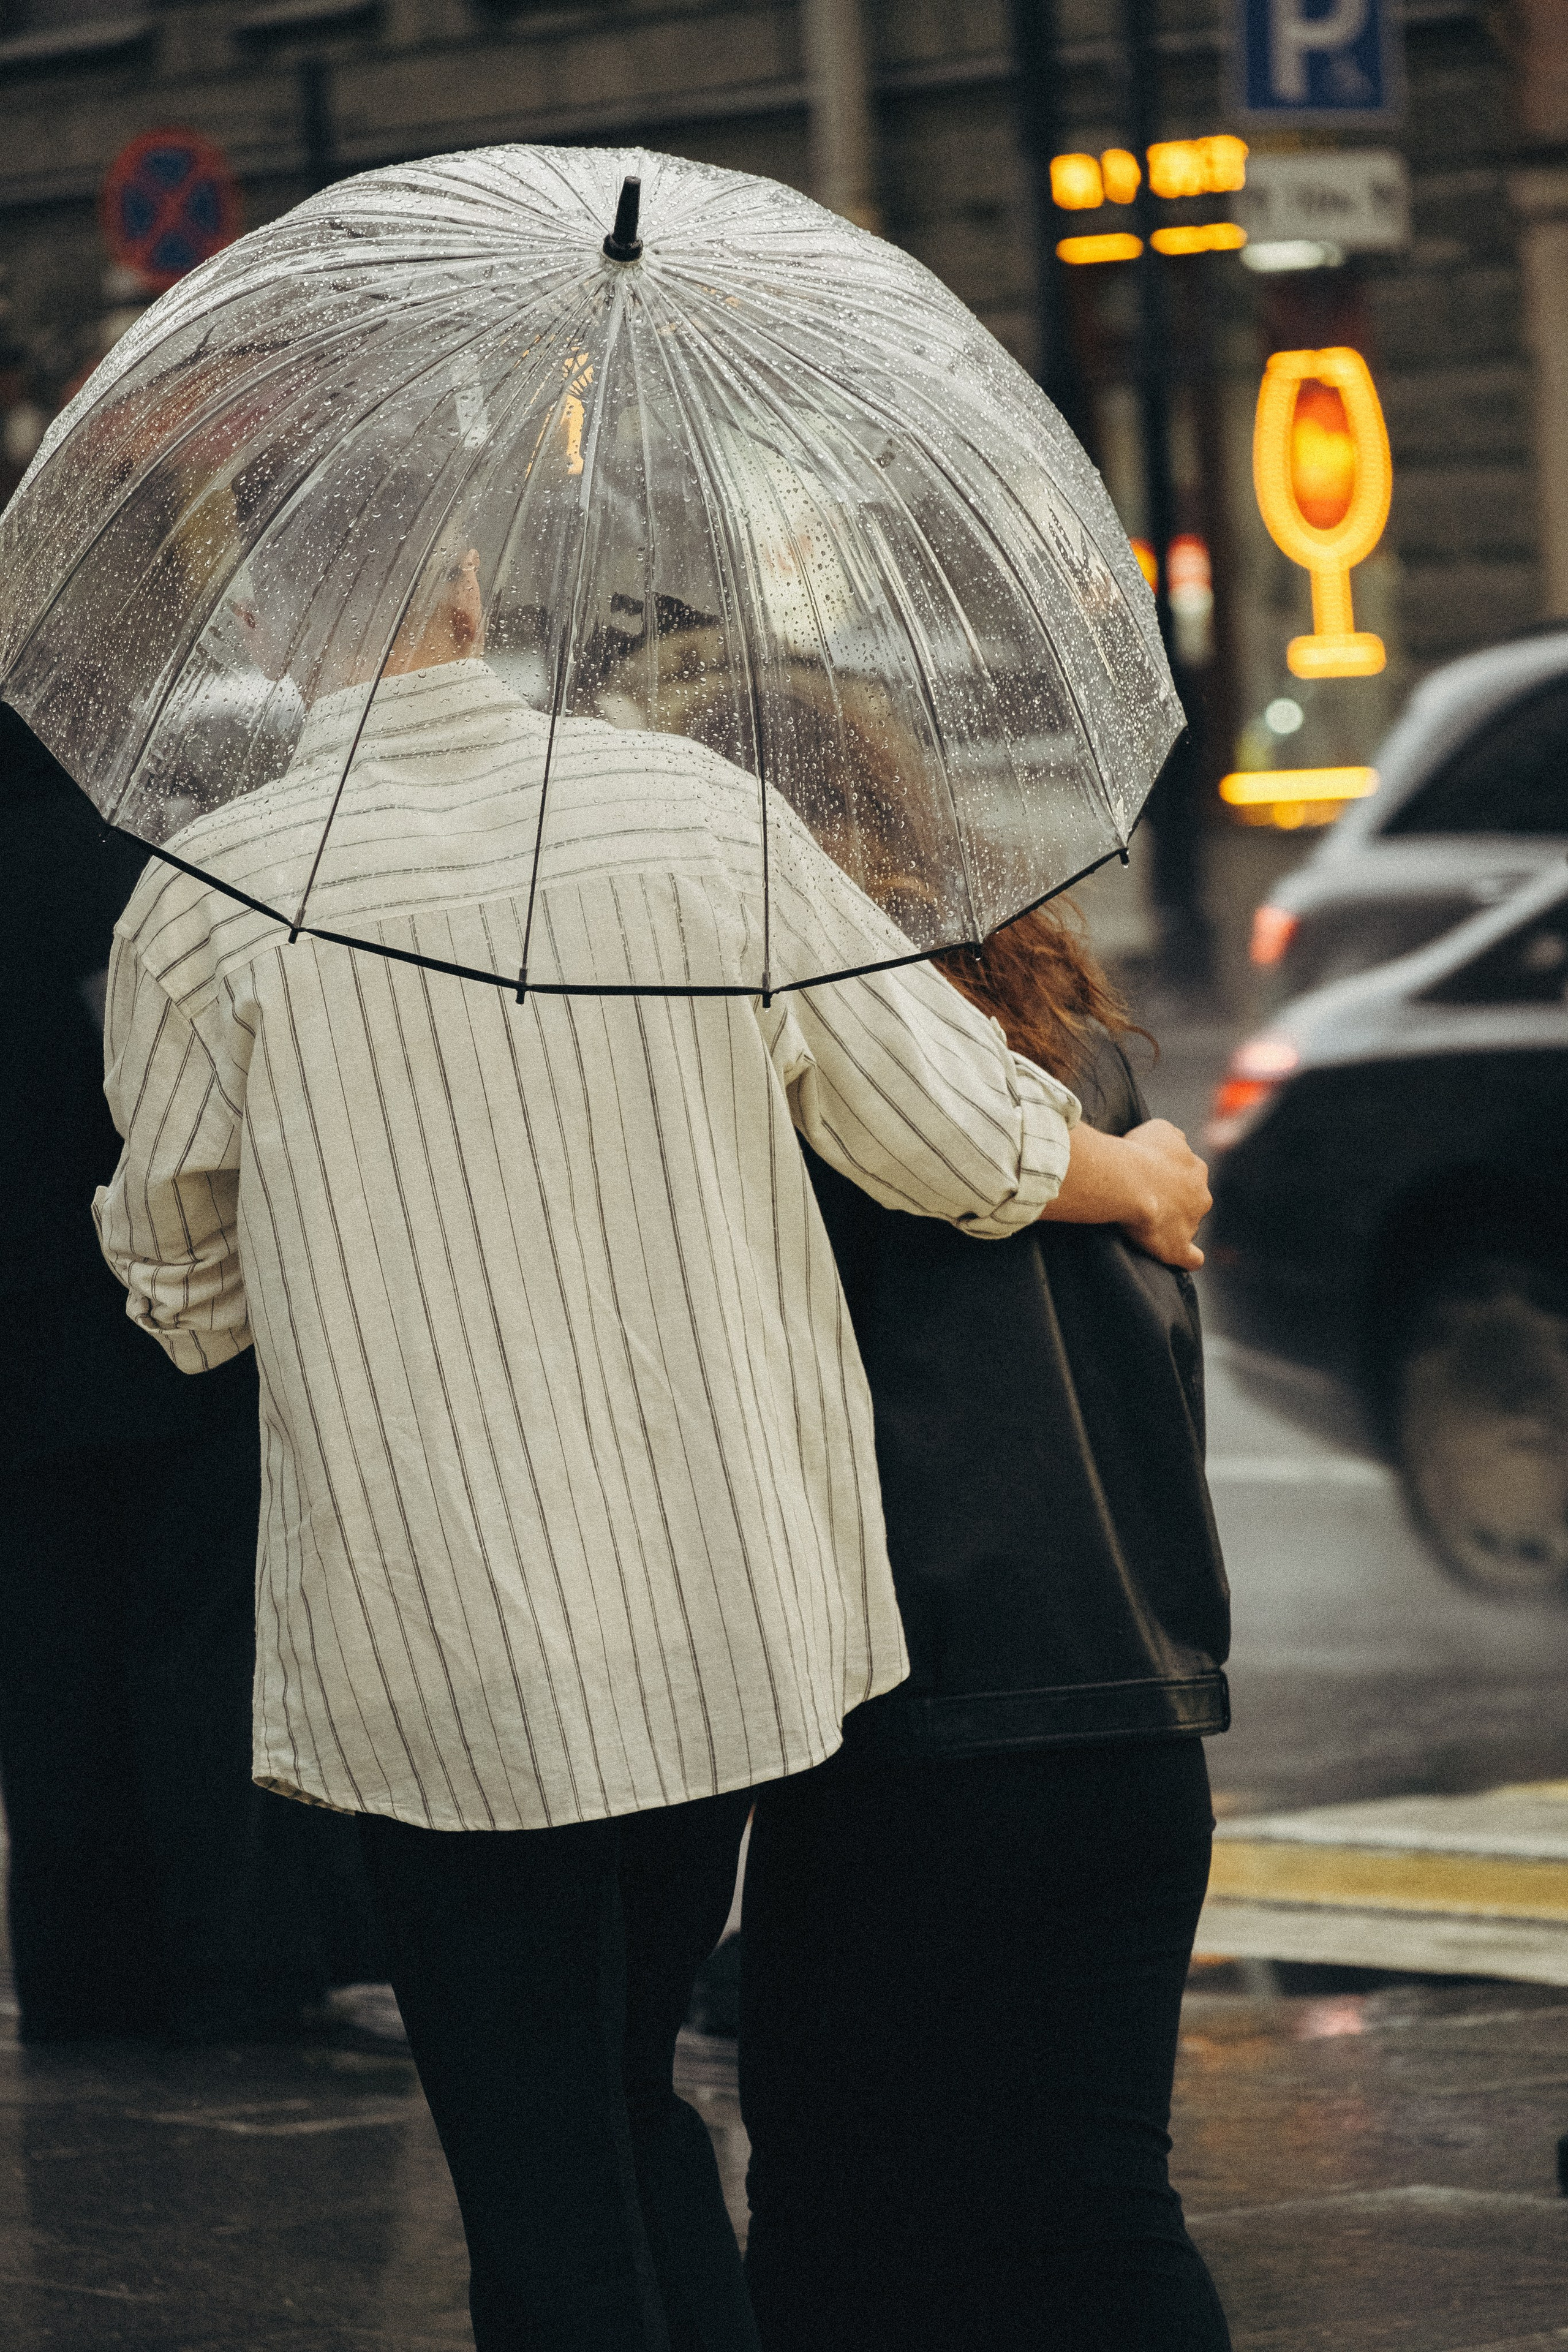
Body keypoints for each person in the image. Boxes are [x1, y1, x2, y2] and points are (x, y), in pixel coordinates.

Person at [88, 536, 1213, 2352]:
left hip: (441, 1634)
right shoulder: (697, 821)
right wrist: (1131, 1169)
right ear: (467, 582)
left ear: (252, 630)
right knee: (637, 2078)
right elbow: (949, 1144)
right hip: (722, 1616)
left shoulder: (209, 904)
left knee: (549, 2155)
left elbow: (184, 1291)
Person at [739, 906, 1232, 2352]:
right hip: (1137, 1702)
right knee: (1098, 2199)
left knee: (838, 2204)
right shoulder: (1082, 1062)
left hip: (916, 1716)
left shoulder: (784, 1074)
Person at [0, 702, 383, 2045]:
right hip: (166, 1332)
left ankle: (79, 1972)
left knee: (44, 1665)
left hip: (20, 1353)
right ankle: (235, 1958)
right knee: (206, 1644)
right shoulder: (140, 880)